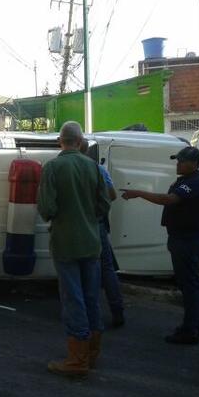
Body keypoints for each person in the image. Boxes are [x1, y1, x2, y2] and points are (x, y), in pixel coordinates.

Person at [37, 121, 110, 378]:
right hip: (91, 242)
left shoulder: (53, 167)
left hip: (65, 243)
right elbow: (104, 205)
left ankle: (77, 359)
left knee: (73, 299)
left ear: (61, 141)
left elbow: (46, 209)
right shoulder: (93, 167)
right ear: (79, 142)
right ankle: (91, 353)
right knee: (91, 297)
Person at [121, 146, 199, 345]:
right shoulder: (187, 181)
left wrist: (138, 193)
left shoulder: (194, 183)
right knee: (192, 283)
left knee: (189, 285)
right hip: (184, 238)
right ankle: (198, 324)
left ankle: (190, 329)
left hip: (186, 240)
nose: (177, 164)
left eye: (181, 161)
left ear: (194, 164)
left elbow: (167, 200)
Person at [80, 139, 125, 327]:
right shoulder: (98, 169)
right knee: (106, 268)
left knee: (80, 268)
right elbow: (112, 195)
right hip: (97, 224)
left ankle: (86, 314)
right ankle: (117, 310)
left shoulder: (68, 168)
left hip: (78, 226)